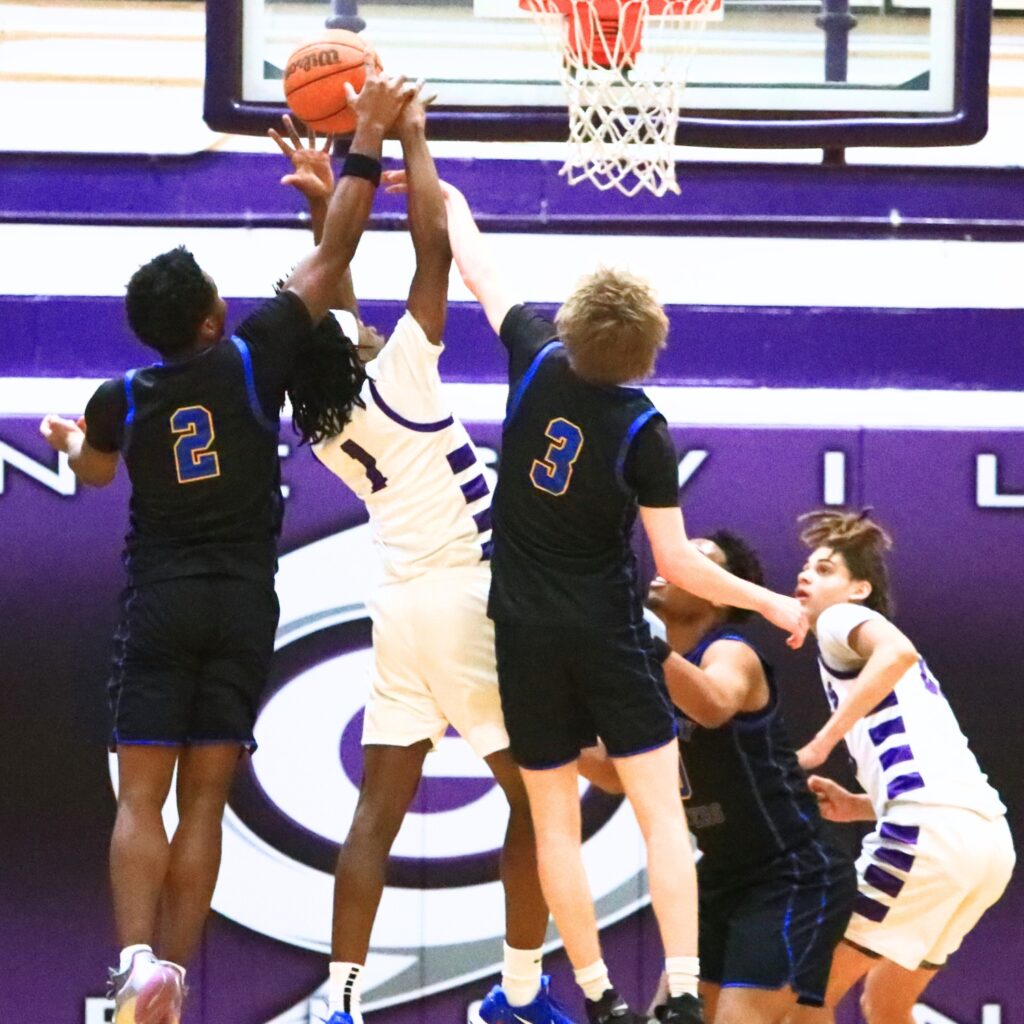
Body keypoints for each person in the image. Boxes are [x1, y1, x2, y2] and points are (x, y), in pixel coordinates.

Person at [38, 68, 414, 1024]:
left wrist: (76, 443)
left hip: (162, 599)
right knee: (205, 804)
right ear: (211, 319)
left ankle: (132, 966)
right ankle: (174, 968)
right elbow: (341, 249)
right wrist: (356, 144)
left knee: (142, 801)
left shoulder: (120, 395)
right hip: (244, 598)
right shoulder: (253, 356)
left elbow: (96, 477)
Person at [441, 182, 809, 1024]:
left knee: (554, 822)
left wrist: (447, 190)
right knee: (659, 820)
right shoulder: (644, 427)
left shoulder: (535, 359)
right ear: (648, 350)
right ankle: (681, 994)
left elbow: (479, 266)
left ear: (572, 326)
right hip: (609, 633)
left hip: (527, 636)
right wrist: (776, 606)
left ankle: (601, 994)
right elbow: (677, 561)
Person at [269, 104, 573, 1024]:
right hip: (460, 599)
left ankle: (340, 1003)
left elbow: (338, 318)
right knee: (541, 803)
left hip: (397, 608)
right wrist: (410, 136)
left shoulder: (320, 422)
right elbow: (432, 253)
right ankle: (519, 994)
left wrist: (326, 212)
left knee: (375, 818)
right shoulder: (401, 374)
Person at [580, 532, 856, 1024]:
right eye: (675, 553)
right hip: (722, 871)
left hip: (791, 871)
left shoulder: (730, 651)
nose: (671, 562)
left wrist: (636, 636)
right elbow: (610, 774)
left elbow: (711, 706)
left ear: (717, 591)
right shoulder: (642, 673)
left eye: (695, 560)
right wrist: (532, 728)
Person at [793, 510, 1015, 1024]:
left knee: (804, 997)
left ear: (858, 590)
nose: (806, 575)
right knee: (887, 1004)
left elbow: (898, 651)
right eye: (805, 567)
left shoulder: (838, 621)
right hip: (986, 843)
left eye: (825, 569)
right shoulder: (858, 653)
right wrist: (859, 806)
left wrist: (822, 743)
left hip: (929, 838)